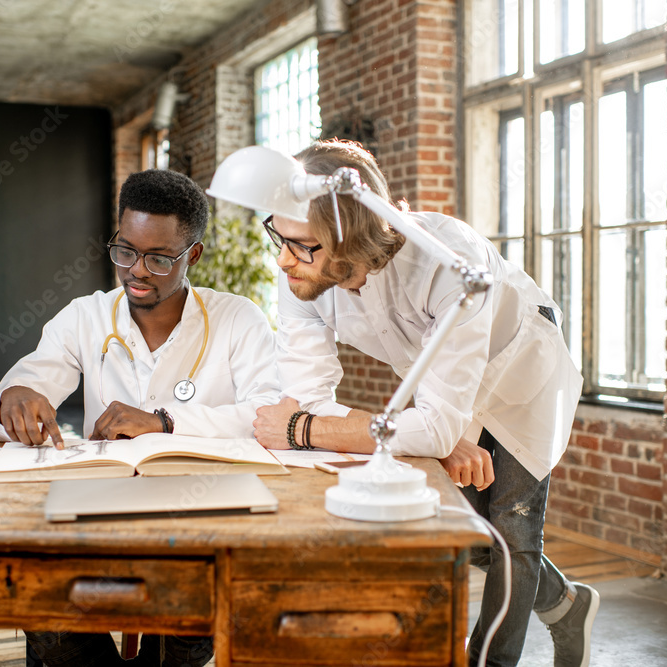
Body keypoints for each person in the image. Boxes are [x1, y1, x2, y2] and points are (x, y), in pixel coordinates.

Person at [252, 140, 598, 667]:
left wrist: (430, 427)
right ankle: (566, 607)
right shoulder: (300, 272)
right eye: (279, 236)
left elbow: (304, 424)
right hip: (448, 379)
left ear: (351, 237)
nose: (284, 259)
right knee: (465, 524)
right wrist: (433, 428)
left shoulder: (448, 261)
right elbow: (311, 400)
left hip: (522, 366)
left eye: (304, 246)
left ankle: (489, 662)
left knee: (510, 527)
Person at [0, 169, 278, 667]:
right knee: (49, 610)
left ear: (194, 256)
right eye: (126, 251)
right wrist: (15, 397)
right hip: (101, 514)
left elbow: (270, 415)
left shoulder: (238, 318)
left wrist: (165, 421)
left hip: (199, 517)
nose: (137, 271)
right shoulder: (86, 317)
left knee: (186, 627)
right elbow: (19, 391)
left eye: (159, 259)